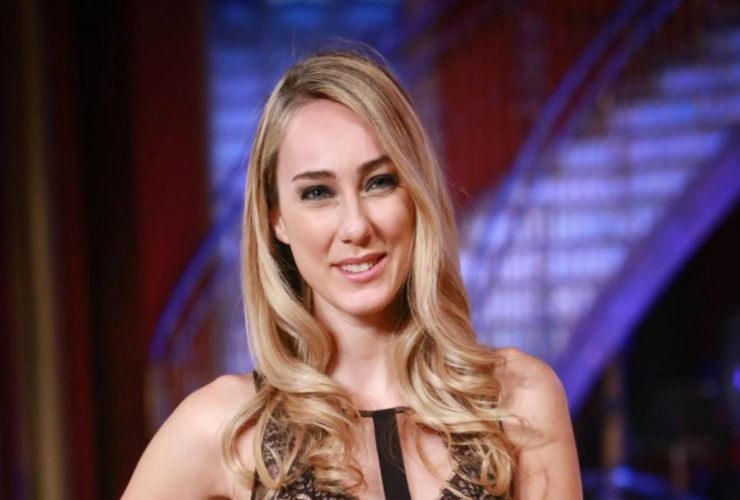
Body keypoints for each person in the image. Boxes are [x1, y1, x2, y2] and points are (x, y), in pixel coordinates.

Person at [123, 50, 581, 499]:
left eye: (379, 182)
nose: (356, 226)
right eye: (318, 192)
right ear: (276, 218)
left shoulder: (520, 400)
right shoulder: (224, 429)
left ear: (414, 193)